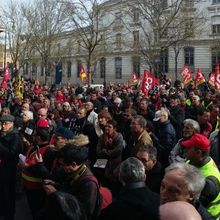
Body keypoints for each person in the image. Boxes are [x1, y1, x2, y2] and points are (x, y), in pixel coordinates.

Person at [43, 144, 98, 220]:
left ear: (73, 164)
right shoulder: (75, 171)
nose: (61, 167)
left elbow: (83, 211)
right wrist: (56, 184)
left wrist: (56, 194)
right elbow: (69, 188)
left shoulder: (89, 185)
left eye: (63, 165)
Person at [181, 133, 220, 219]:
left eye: (188, 148)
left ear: (198, 153)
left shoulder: (209, 181)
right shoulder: (192, 161)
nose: (184, 150)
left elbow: (193, 205)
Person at [0, 115, 24, 220]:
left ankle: (9, 215)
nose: (2, 126)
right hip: (3, 168)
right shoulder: (4, 134)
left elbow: (12, 154)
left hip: (9, 170)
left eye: (5, 123)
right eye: (1, 123)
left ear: (12, 124)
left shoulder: (15, 136)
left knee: (8, 193)